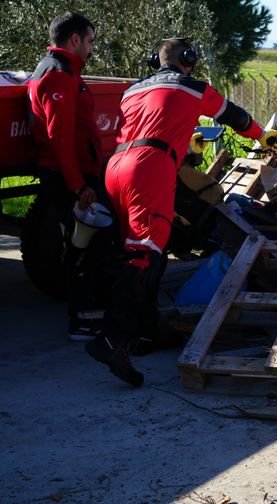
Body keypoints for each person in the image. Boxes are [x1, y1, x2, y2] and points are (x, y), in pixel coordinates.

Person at [85, 38, 277, 386]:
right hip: (150, 168)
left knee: (145, 254)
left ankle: (143, 335)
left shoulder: (132, 90)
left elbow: (149, 122)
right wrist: (263, 136)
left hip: (115, 168)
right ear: (188, 60)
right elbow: (235, 117)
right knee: (143, 257)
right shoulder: (193, 87)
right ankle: (111, 340)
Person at [27, 12, 110, 341]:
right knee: (87, 247)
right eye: (89, 41)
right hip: (69, 179)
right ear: (74, 40)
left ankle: (87, 316)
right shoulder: (60, 75)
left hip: (67, 176)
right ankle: (84, 321)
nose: (90, 49)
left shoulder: (53, 69)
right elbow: (60, 137)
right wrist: (78, 186)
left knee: (83, 245)